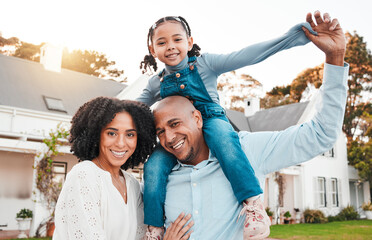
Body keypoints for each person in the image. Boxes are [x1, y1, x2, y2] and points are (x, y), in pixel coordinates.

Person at [151, 11, 348, 240]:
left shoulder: (247, 150)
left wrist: (335, 57)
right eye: (160, 131)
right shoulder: (157, 177)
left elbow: (321, 135)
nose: (169, 136)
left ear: (197, 118)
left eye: (175, 124)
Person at [53, 97, 193, 240]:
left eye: (130, 134)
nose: (121, 143)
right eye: (112, 133)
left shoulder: (132, 184)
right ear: (96, 135)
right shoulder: (84, 175)